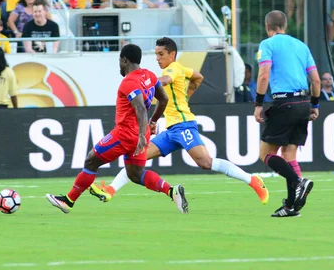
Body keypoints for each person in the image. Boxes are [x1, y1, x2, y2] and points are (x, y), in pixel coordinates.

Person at [90, 37, 269, 205]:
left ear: (172, 54)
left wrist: (145, 82)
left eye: (161, 54)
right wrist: (186, 95)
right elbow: (198, 76)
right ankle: (111, 190)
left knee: (206, 162)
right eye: (156, 54)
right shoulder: (182, 68)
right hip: (171, 130)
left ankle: (252, 180)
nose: (158, 59)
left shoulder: (172, 68)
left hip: (183, 126)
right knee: (137, 159)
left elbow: (165, 81)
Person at [46, 43, 188, 215]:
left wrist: (143, 133)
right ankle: (172, 191)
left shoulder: (129, 82)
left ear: (124, 60)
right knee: (135, 174)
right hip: (140, 135)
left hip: (125, 135)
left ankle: (68, 201)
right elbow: (164, 99)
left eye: (120, 61)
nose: (119, 65)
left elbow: (140, 108)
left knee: (91, 160)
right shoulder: (149, 76)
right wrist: (152, 123)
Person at [253, 10, 318, 218]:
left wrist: (258, 103)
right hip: (304, 102)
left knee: (265, 154)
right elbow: (316, 80)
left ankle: (298, 183)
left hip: (284, 102)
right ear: (285, 25)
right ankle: (291, 206)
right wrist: (315, 105)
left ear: (267, 27)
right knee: (289, 155)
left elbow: (264, 75)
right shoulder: (301, 46)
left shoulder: (267, 44)